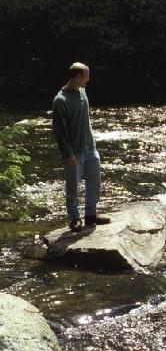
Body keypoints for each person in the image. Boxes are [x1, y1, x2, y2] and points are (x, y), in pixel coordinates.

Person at [51, 62, 109, 231]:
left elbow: (87, 120)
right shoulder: (60, 100)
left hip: (90, 148)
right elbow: (59, 131)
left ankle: (91, 216)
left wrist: (93, 141)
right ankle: (74, 218)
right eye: (86, 76)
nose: (88, 80)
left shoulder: (83, 93)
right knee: (72, 187)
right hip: (74, 152)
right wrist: (68, 154)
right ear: (77, 77)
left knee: (94, 184)